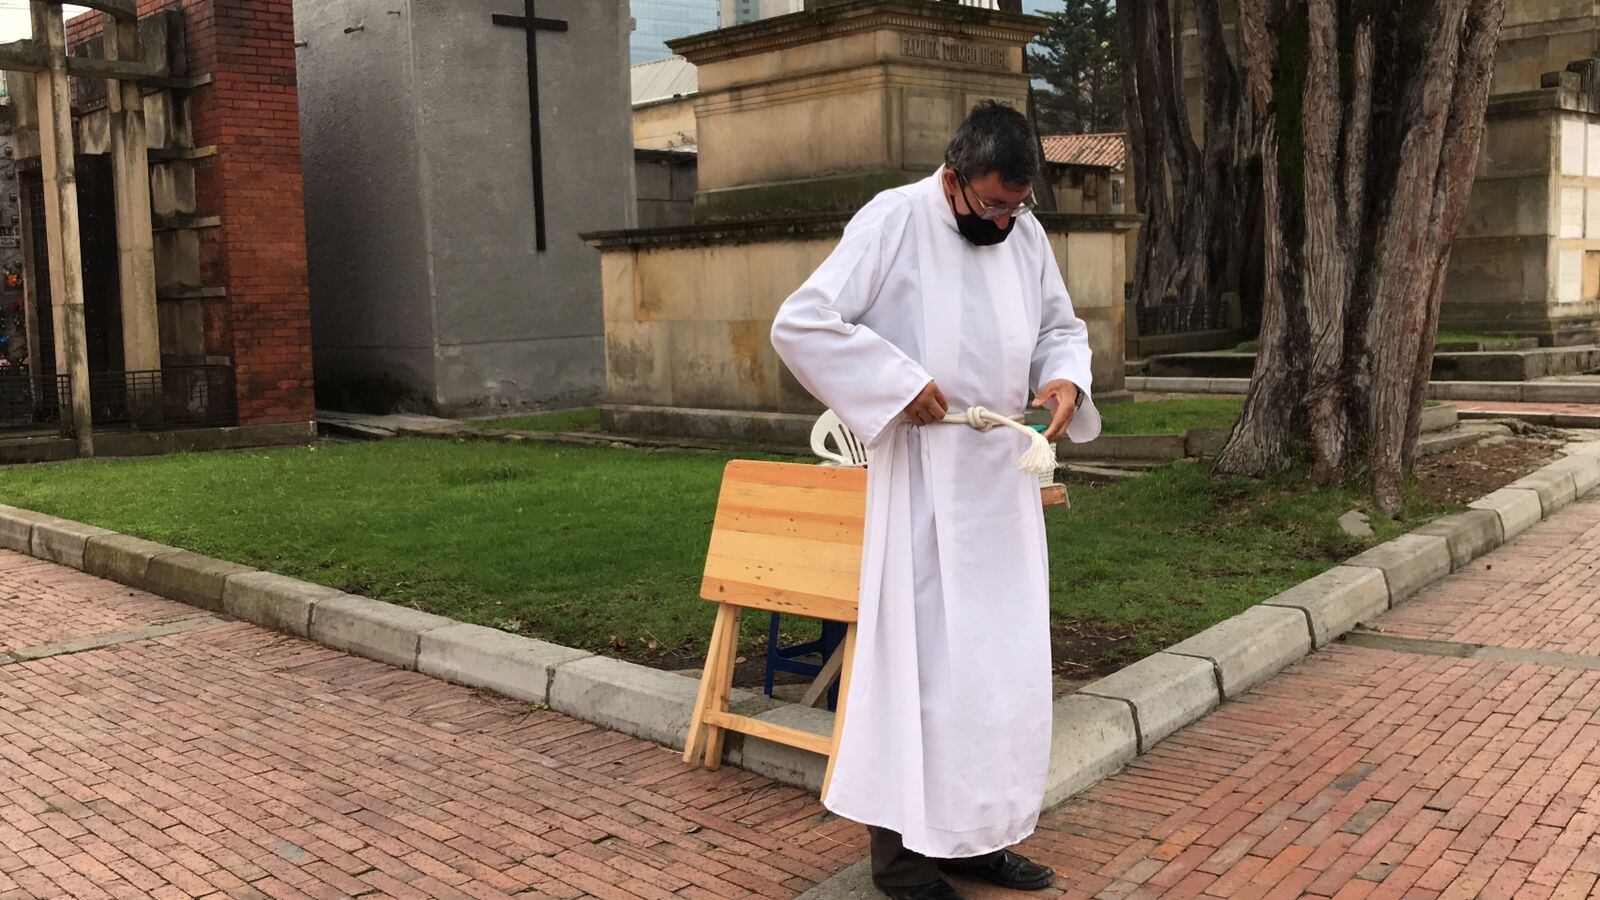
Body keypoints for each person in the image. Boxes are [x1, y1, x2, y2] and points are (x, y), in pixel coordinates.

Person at [769, 101, 1100, 900]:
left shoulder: (1024, 233)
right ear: (954, 180)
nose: (1004, 219)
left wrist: (1064, 378)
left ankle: (978, 838)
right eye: (991, 203)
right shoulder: (894, 219)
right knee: (921, 672)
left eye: (1018, 206)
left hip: (1001, 486)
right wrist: (897, 380)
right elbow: (801, 323)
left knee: (997, 673)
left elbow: (1060, 325)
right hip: (922, 481)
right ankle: (904, 862)